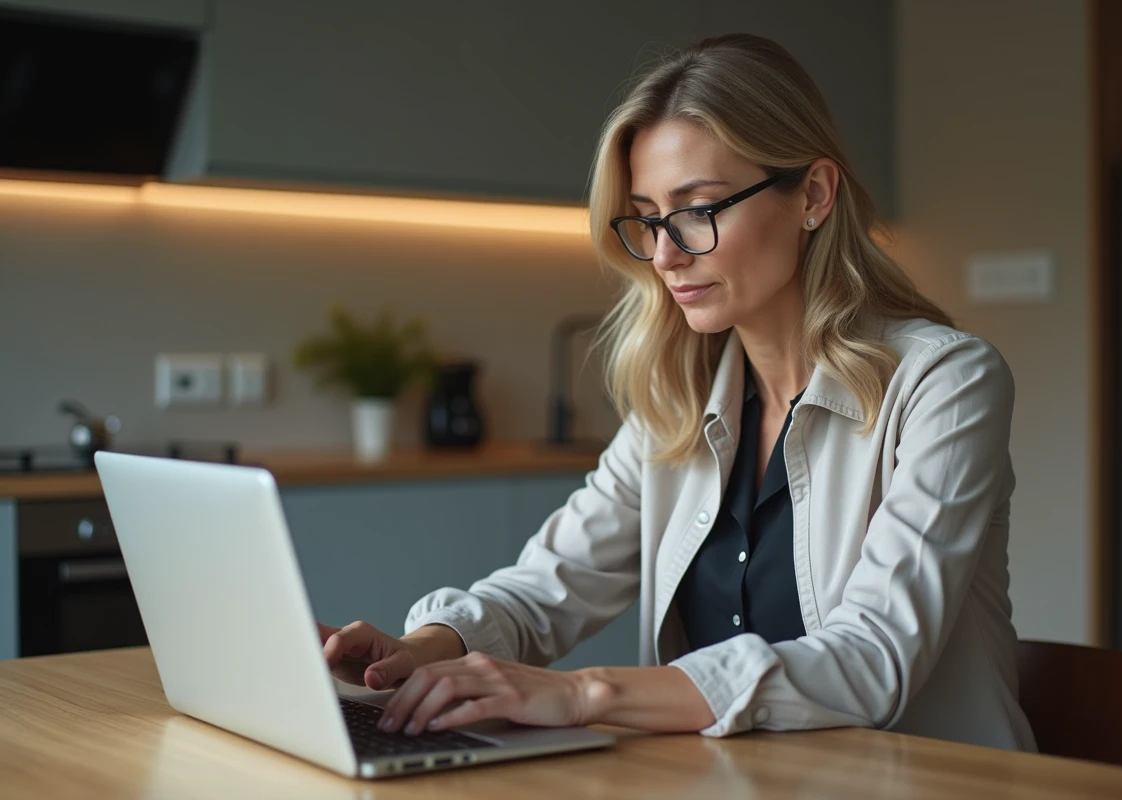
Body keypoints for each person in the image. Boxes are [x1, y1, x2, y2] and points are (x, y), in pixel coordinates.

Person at [320, 33, 1037, 752]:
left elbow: (872, 659)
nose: (664, 255)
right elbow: (546, 589)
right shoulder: (677, 401)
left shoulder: (944, 383)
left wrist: (582, 693)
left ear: (813, 195)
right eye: (650, 218)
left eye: (699, 210)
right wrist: (422, 649)